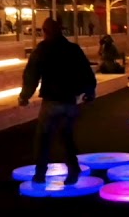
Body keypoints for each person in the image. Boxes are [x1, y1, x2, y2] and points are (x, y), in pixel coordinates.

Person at [19, 17, 97, 190]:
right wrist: (89, 92)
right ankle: (73, 169)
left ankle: (40, 174)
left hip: (51, 101)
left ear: (45, 32)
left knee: (43, 138)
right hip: (69, 101)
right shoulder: (73, 49)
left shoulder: (42, 50)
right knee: (66, 137)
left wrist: (25, 96)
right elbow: (86, 72)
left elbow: (31, 75)